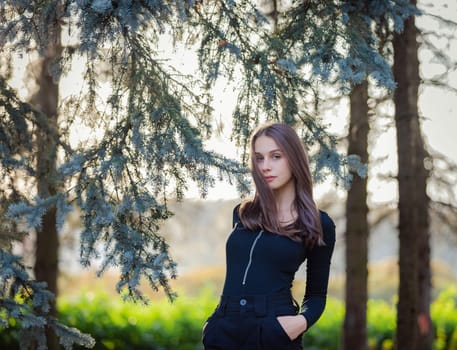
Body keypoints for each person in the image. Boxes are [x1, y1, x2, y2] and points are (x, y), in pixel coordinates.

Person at [201, 122, 336, 350]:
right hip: (224, 329)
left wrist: (298, 323)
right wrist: (213, 324)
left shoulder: (318, 223)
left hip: (273, 329)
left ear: (294, 158)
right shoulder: (243, 213)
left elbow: (316, 295)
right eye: (259, 158)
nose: (265, 166)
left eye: (276, 156)